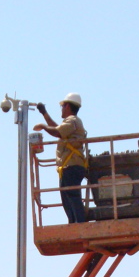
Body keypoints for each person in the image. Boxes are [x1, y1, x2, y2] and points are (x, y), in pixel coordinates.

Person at [34, 93, 87, 224]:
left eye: (62, 106)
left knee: (72, 196)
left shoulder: (73, 120)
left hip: (72, 166)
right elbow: (58, 129)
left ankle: (79, 224)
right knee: (67, 198)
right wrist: (44, 113)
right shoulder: (70, 123)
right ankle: (74, 222)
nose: (61, 109)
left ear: (67, 106)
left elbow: (57, 132)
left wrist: (43, 126)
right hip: (68, 167)